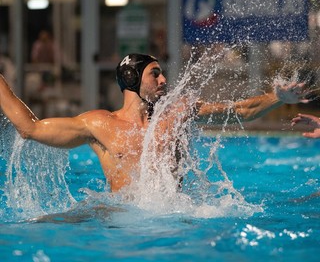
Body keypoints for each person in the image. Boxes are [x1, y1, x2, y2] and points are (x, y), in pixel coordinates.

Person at [0, 53, 309, 193]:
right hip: (121, 219)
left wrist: (278, 97)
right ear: (133, 79)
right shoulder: (99, 125)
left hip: (174, 217)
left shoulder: (178, 112)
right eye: (155, 74)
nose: (164, 80)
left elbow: (241, 111)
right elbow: (31, 128)